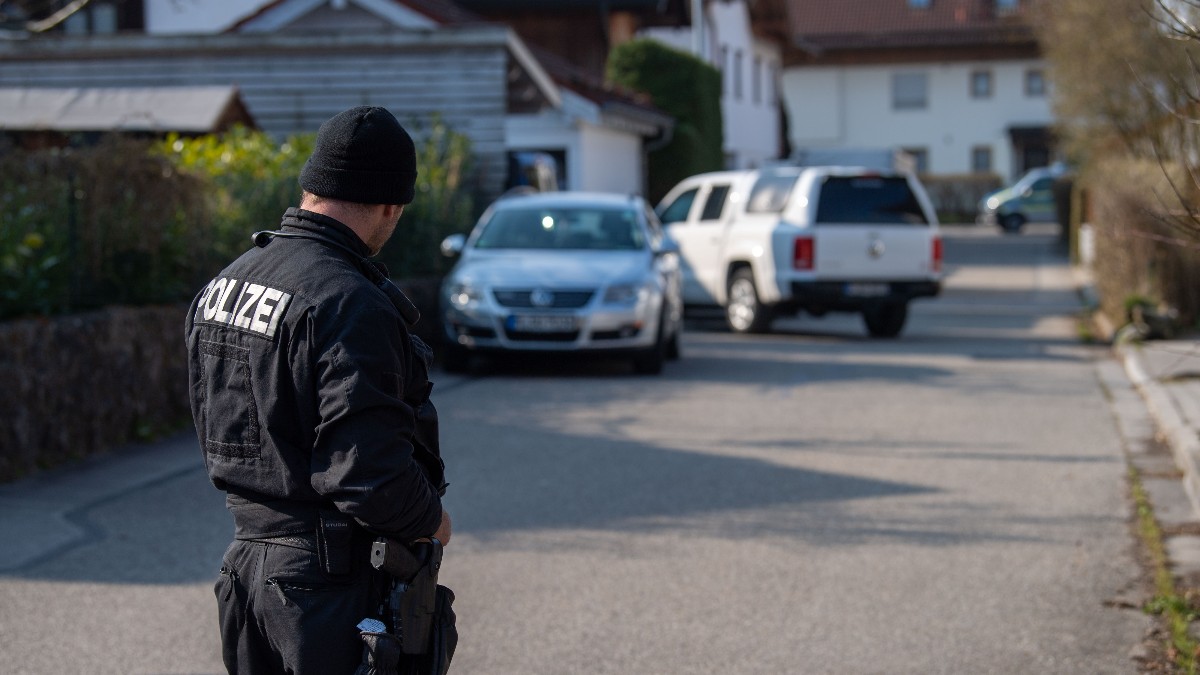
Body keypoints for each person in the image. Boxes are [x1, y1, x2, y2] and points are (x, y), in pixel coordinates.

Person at [185, 105, 452, 674]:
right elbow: (365, 474)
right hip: (328, 591)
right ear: (390, 205)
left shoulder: (225, 283)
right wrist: (432, 522)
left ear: (311, 187)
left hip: (246, 575)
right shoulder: (350, 303)